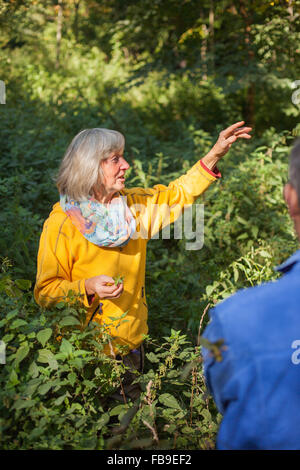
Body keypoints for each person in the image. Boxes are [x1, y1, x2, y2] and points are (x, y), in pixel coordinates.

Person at [34, 122, 251, 399]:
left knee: (127, 430)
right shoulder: (62, 224)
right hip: (81, 353)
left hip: (130, 344)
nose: (126, 165)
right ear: (91, 167)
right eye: (115, 159)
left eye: (122, 157)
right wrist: (86, 287)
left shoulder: (133, 208)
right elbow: (44, 292)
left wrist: (215, 154)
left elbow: (177, 195)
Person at [202, 139, 300, 450]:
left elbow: (218, 390)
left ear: (290, 197)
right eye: (114, 159)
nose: (124, 166)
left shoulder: (230, 320)